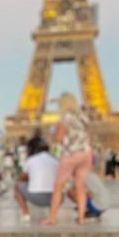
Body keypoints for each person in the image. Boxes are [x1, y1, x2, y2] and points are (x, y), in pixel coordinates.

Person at [42, 93, 92, 226]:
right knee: (81, 187)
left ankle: (52, 218)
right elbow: (87, 135)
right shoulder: (83, 117)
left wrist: (52, 136)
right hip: (86, 154)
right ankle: (81, 218)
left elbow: (58, 138)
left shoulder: (64, 118)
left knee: (58, 187)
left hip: (70, 154)